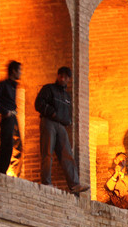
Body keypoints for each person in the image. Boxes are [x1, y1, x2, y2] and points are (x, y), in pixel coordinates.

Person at [34, 66, 89, 195]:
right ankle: (46, 182)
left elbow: (68, 112)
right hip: (49, 122)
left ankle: (74, 185)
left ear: (69, 79)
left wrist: (68, 121)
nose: (63, 78)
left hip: (61, 126)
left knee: (67, 154)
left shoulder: (66, 96)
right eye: (61, 75)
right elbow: (38, 104)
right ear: (58, 76)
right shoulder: (48, 89)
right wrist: (51, 113)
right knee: (47, 152)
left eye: (66, 77)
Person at [0, 60, 23, 177]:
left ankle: (12, 173)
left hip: (13, 118)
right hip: (7, 118)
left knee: (17, 146)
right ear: (13, 71)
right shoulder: (3, 85)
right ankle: (1, 172)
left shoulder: (13, 86)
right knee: (6, 144)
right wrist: (5, 111)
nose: (21, 73)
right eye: (19, 70)